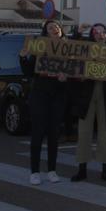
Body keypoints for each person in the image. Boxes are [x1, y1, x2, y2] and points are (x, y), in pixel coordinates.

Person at [71, 23, 106, 182]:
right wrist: (78, 32)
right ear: (92, 35)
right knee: (84, 132)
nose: (100, 35)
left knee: (105, 133)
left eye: (103, 32)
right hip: (87, 93)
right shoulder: (85, 49)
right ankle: (82, 169)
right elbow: (72, 47)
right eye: (96, 32)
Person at [19, 20, 69, 185]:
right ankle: (34, 172)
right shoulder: (39, 49)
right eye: (50, 27)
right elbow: (28, 71)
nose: (54, 28)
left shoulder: (70, 50)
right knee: (38, 132)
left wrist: (65, 78)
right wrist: (23, 56)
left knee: (54, 133)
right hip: (40, 94)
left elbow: (77, 71)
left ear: (61, 31)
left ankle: (52, 170)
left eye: (56, 26)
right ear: (45, 33)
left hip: (58, 95)